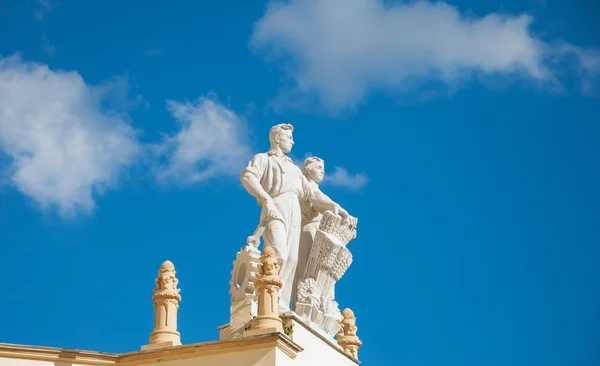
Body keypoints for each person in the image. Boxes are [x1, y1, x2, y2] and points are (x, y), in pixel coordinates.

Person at [240, 124, 347, 311]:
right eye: (289, 137)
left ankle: (279, 305)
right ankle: (264, 300)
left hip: (295, 212)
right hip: (276, 206)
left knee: (292, 259)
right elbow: (248, 177)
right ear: (277, 138)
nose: (293, 141)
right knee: (278, 253)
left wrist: (333, 205)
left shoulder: (295, 169)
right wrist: (265, 199)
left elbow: (311, 194)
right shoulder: (263, 159)